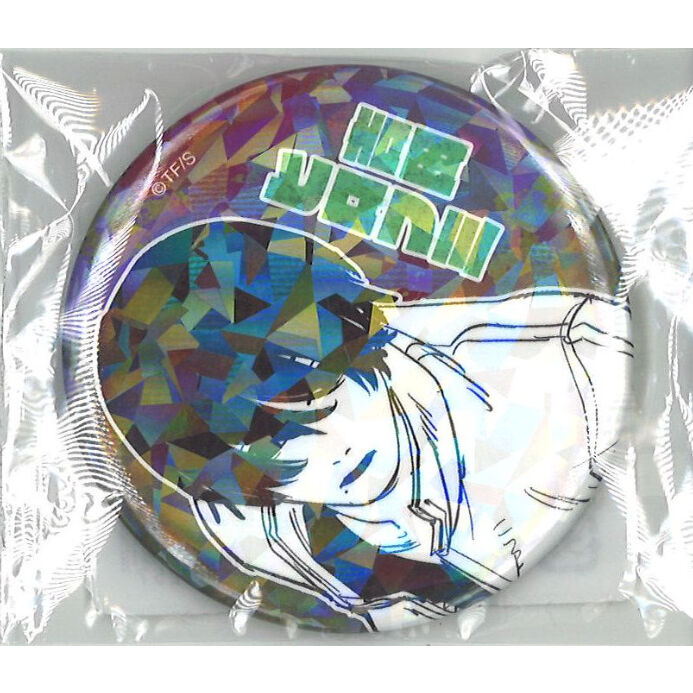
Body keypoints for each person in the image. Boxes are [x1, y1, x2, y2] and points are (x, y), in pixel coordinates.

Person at [100, 219, 632, 631]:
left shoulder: (574, 366)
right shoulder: (240, 519)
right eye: (270, 459)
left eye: (315, 403)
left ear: (367, 335)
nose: (327, 456)